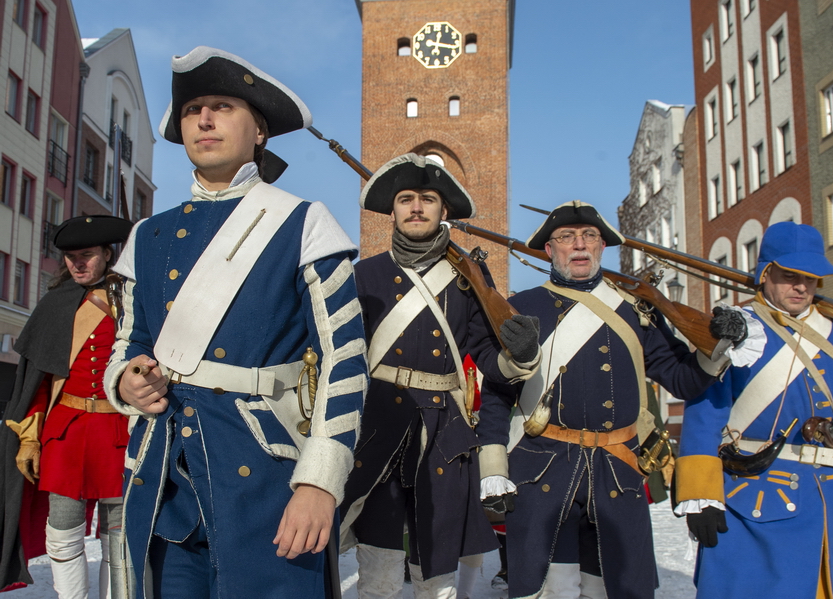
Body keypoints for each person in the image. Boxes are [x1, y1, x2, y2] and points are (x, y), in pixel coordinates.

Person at [102, 47, 368, 599]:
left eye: (222, 106)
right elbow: (130, 340)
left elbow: (345, 358)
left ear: (260, 131)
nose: (203, 119)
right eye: (192, 109)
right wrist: (126, 379)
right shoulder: (147, 236)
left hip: (271, 485)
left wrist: (319, 481)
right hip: (169, 482)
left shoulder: (303, 222)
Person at [476, 200, 751, 599]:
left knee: (621, 587)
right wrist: (493, 465)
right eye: (567, 237)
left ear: (603, 247)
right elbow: (498, 393)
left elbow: (683, 379)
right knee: (549, 588)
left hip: (618, 471)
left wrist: (720, 345)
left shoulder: (635, 310)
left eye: (590, 236)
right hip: (542, 467)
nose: (580, 245)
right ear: (549, 250)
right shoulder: (523, 307)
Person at [340, 153, 541, 598]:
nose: (416, 207)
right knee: (379, 564)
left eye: (427, 199)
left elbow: (487, 356)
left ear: (443, 210)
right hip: (378, 427)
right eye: (406, 199)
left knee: (438, 568)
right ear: (392, 210)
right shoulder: (364, 274)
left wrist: (518, 355)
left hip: (443, 432)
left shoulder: (469, 274)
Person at [675, 221, 833, 599]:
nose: (800, 287)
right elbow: (706, 409)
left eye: (810, 279)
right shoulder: (738, 330)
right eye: (789, 276)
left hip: (830, 502)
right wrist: (701, 492)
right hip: (755, 495)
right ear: (766, 274)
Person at [2, 215, 133, 598]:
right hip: (66, 433)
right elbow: (38, 380)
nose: (78, 263)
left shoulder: (131, 300)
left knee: (118, 535)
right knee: (62, 530)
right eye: (71, 256)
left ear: (107, 255)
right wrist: (29, 437)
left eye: (87, 255)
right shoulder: (54, 303)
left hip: (119, 432)